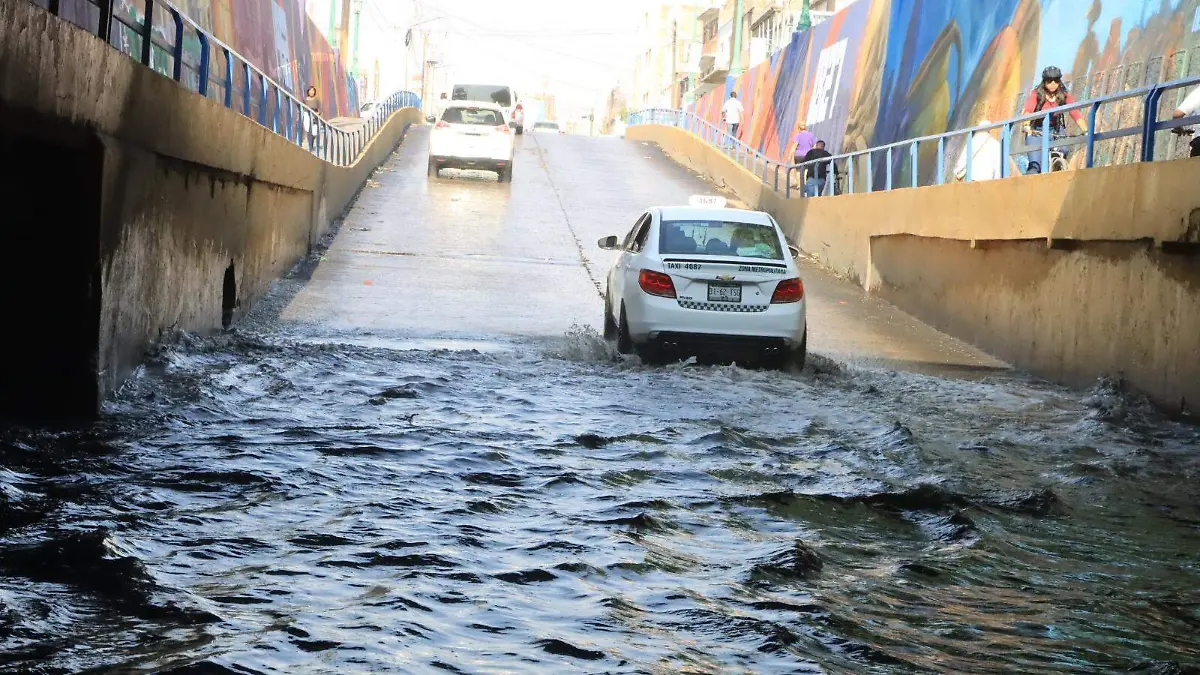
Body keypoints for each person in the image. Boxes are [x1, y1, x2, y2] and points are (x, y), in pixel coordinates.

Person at [1021, 66, 1089, 173]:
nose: (1053, 83)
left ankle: (1058, 168)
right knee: (1035, 165)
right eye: (1049, 80)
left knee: (1064, 149)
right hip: (1036, 131)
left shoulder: (1063, 94)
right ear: (1044, 82)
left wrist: (1086, 131)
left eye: (1056, 80)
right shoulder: (1037, 94)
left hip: (1056, 130)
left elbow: (1075, 113)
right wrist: (1026, 126)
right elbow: (1028, 111)